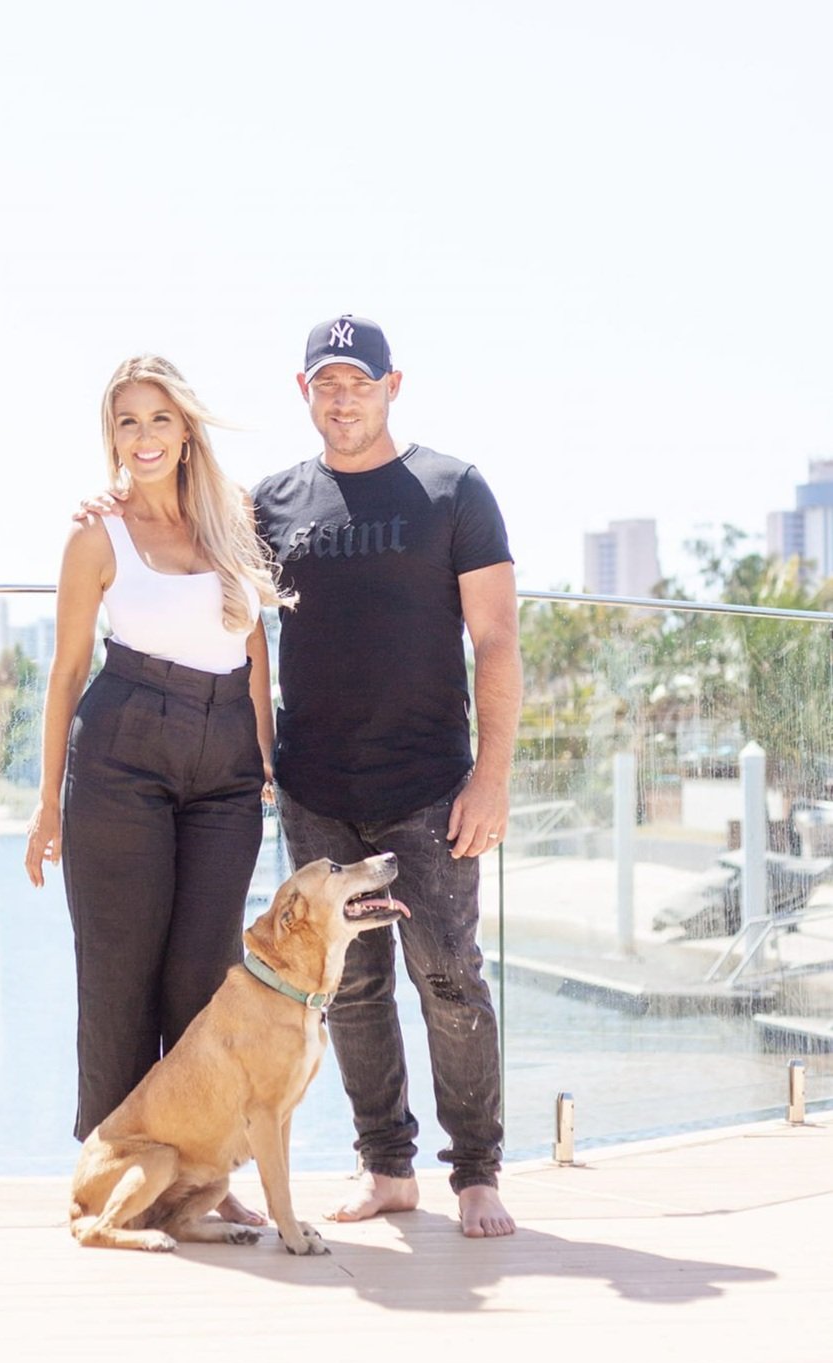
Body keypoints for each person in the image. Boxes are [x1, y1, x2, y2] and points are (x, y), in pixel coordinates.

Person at [252, 314, 522, 1238]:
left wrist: (490, 779)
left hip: (429, 786)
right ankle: (386, 1168)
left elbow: (496, 639)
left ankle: (476, 1173)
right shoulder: (271, 502)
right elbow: (230, 617)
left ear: (391, 386)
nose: (342, 398)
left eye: (358, 382)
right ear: (304, 391)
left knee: (448, 978)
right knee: (352, 988)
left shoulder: (453, 489)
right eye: (326, 383)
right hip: (314, 787)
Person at [26, 353, 288, 1225]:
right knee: (119, 971)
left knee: (207, 981)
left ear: (185, 432)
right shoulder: (95, 536)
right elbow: (66, 673)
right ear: (112, 437)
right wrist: (46, 802)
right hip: (123, 752)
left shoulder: (230, 520)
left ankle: (204, 1180)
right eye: (126, 422)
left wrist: (263, 759)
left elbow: (253, 648)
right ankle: (110, 1176)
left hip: (225, 765)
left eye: (158, 419)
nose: (143, 437)